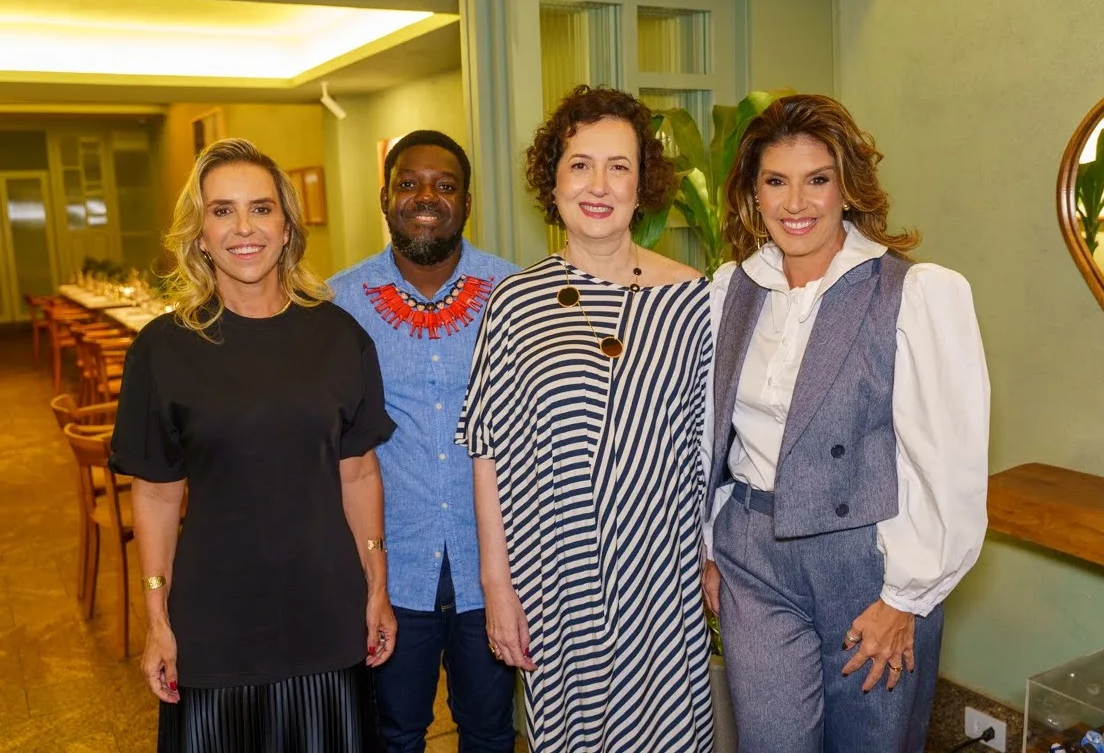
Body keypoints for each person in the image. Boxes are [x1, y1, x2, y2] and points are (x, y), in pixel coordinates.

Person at [702, 93, 990, 751]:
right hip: (753, 558)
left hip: (868, 564)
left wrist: (908, 597)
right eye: (776, 181)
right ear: (752, 192)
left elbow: (945, 464)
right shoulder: (729, 290)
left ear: (847, 188)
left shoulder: (916, 295)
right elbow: (710, 436)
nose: (795, 204)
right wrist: (710, 546)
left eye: (817, 180)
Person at [110, 138, 396, 753]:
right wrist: (156, 620)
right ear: (198, 233)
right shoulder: (163, 350)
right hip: (215, 623)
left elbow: (359, 473)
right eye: (222, 211)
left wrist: (377, 587)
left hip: (326, 613)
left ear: (287, 226)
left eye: (261, 209)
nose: (244, 228)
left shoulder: (339, 336)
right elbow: (158, 497)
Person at [455, 85, 715, 751]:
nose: (598, 184)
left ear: (642, 183)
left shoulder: (692, 299)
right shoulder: (514, 302)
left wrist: (715, 565)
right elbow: (486, 450)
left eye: (619, 166)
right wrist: (497, 586)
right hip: (557, 580)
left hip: (664, 578)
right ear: (554, 178)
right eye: (580, 164)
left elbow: (708, 453)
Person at [329, 130, 520, 753]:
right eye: (408, 183)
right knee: (394, 733)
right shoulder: (336, 303)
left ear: (468, 201)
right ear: (384, 198)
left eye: (445, 184)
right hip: (388, 567)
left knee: (491, 731)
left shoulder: (517, 295)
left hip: (492, 565)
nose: (426, 196)